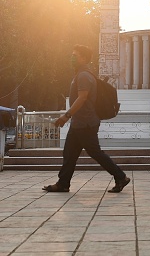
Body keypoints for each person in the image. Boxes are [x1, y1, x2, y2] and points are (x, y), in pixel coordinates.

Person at [43, 45, 130, 193]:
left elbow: (82, 98)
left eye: (75, 55)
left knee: (95, 153)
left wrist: (66, 116)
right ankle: (63, 183)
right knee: (70, 153)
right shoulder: (81, 74)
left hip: (86, 123)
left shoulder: (84, 76)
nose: (72, 58)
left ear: (83, 58)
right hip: (79, 123)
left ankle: (120, 176)